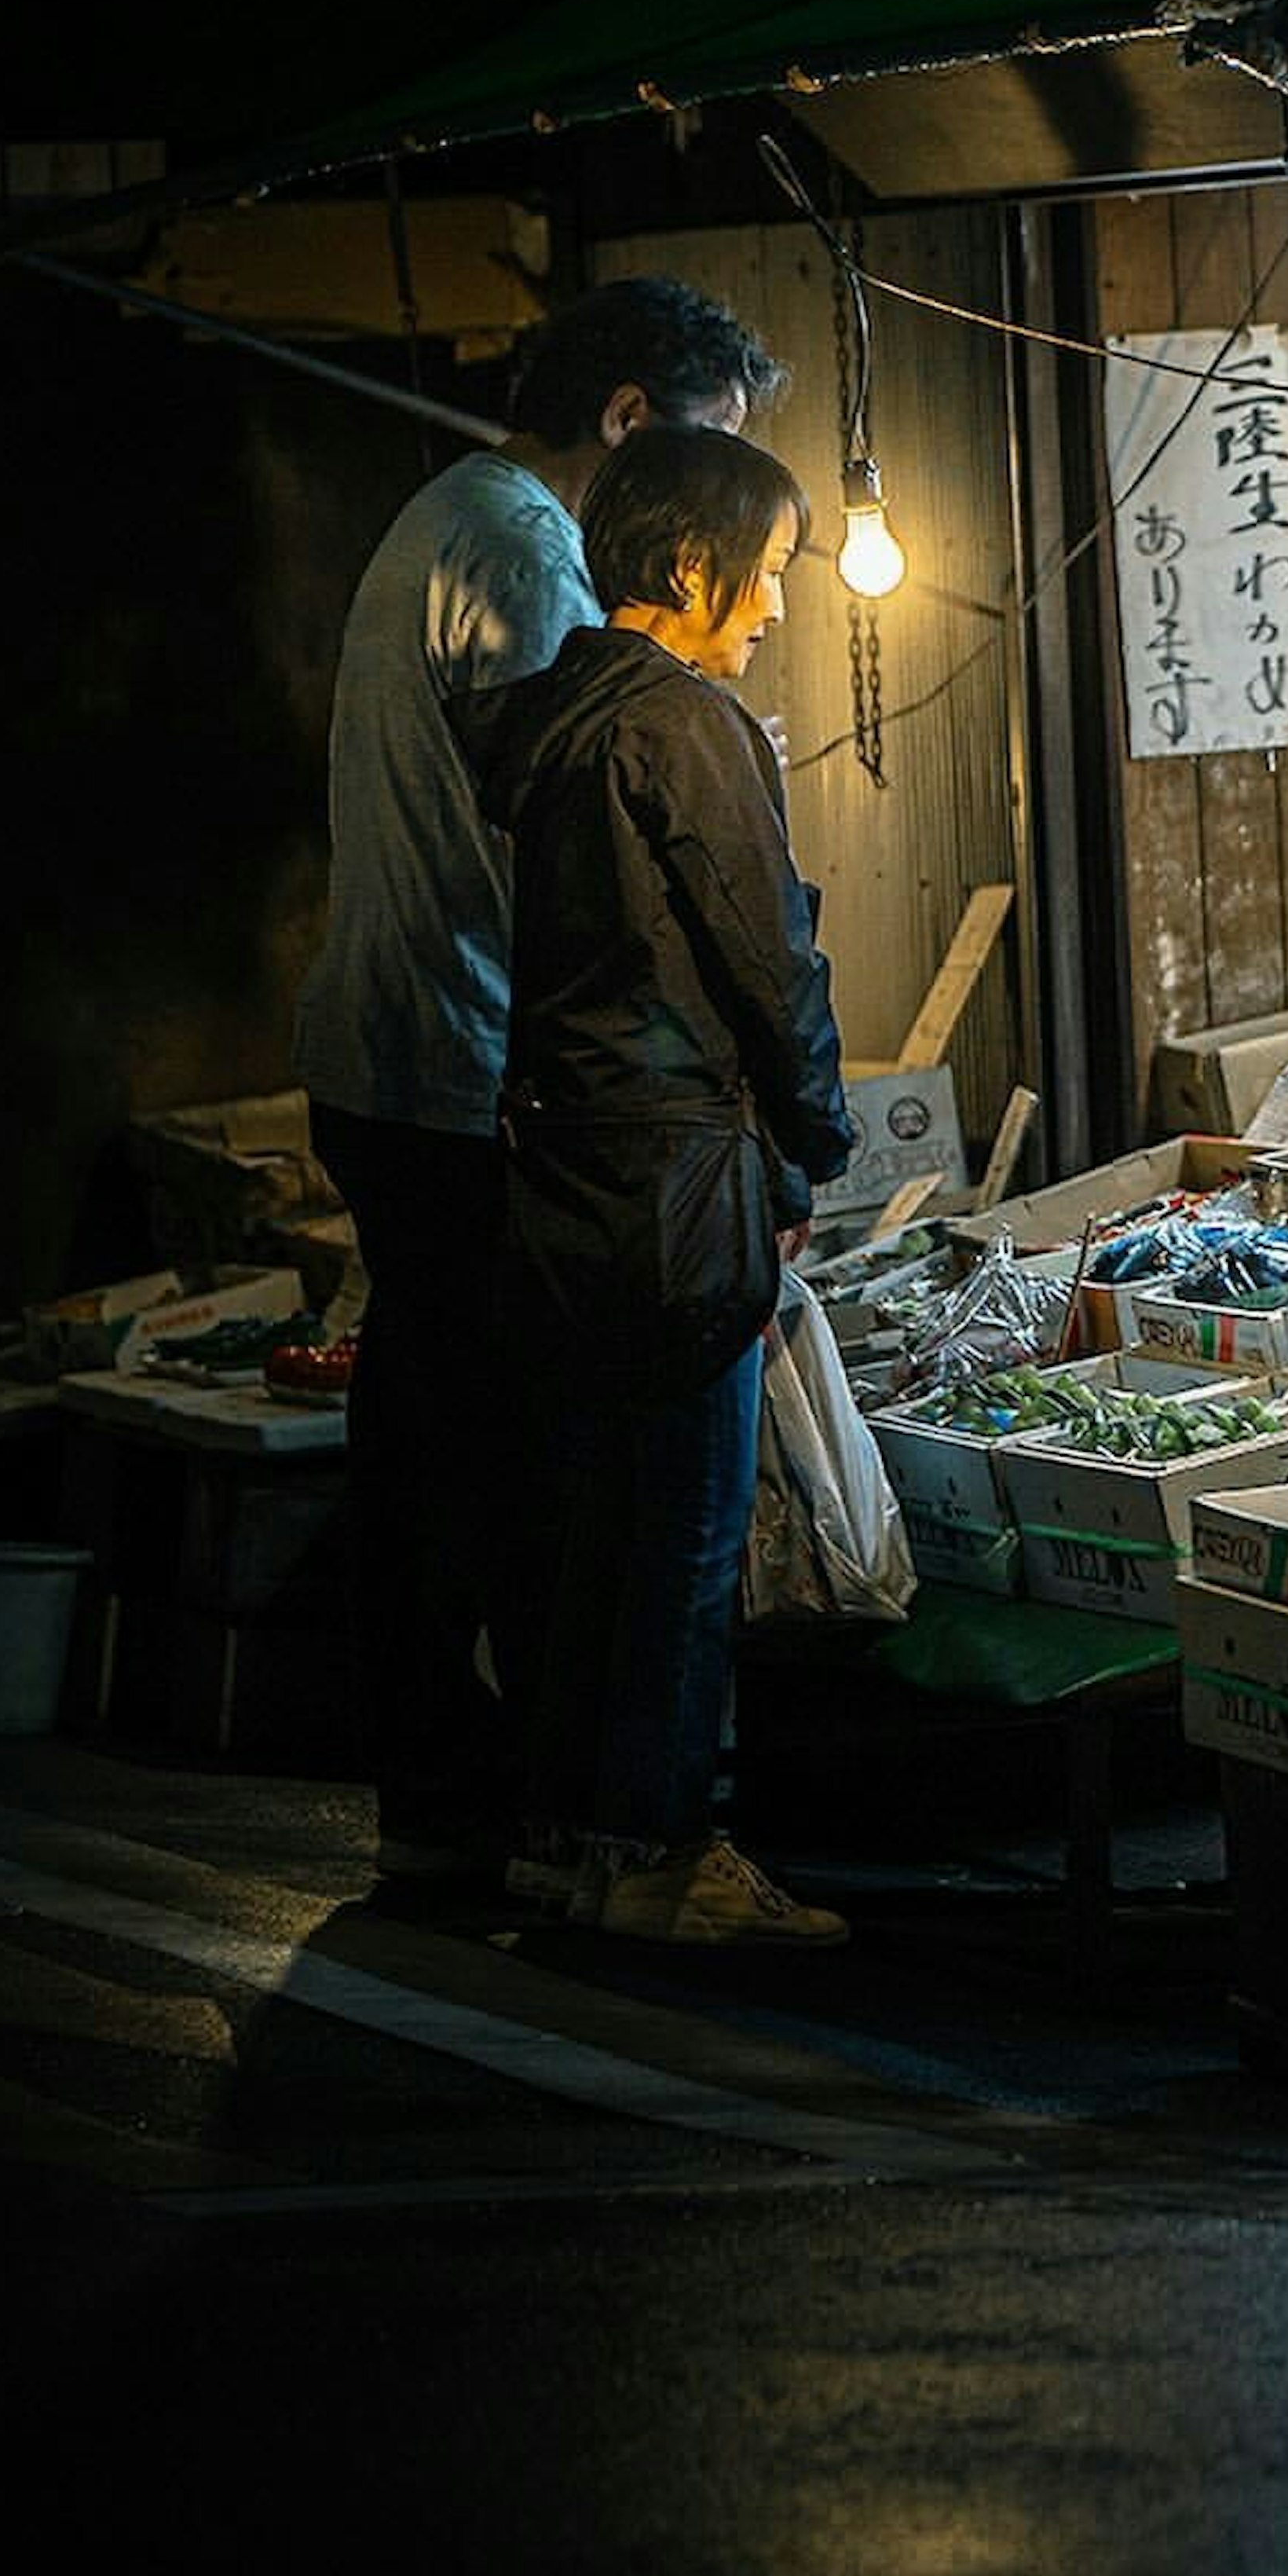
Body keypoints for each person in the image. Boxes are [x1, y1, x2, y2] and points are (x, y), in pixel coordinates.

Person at [294, 274, 784, 1882]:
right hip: (469, 1067)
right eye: (697, 454)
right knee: (506, 1466)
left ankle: (467, 1806)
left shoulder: (461, 510)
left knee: (440, 1439)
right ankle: (513, 1818)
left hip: (407, 1054)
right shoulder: (523, 544)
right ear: (629, 422)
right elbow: (579, 810)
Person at [451, 421, 858, 1945]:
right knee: (687, 1536)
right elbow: (771, 958)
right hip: (682, 1187)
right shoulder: (687, 726)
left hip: (555, 1175)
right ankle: (668, 1857)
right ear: (690, 563)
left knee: (590, 1534)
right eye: (760, 576)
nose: (769, 609)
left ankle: (565, 1842)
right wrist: (815, 1143)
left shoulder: (541, 718)